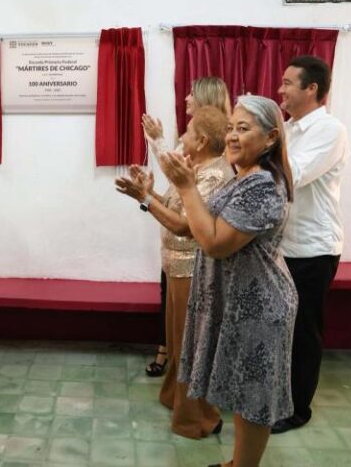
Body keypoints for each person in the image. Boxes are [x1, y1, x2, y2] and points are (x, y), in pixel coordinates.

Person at [160, 95, 297, 467]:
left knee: (253, 398)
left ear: (270, 138)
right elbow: (196, 225)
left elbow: (216, 244)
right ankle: (236, 463)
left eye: (244, 128)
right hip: (237, 303)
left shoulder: (263, 185)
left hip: (259, 306)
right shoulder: (242, 178)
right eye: (231, 127)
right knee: (241, 392)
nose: (233, 136)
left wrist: (186, 187)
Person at [116, 106, 234, 438]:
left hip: (193, 271)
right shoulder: (196, 167)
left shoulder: (215, 174)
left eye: (187, 131)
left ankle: (198, 418)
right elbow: (167, 208)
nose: (181, 135)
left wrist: (145, 198)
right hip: (175, 268)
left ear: (203, 140)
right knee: (178, 343)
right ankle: (175, 396)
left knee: (189, 347)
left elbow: (186, 227)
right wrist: (144, 196)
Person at [272, 55, 349, 434]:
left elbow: (292, 175)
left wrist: (260, 140)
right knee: (282, 329)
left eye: (288, 83)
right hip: (285, 246)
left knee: (304, 332)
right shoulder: (289, 128)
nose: (281, 89)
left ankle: (298, 409)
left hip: (313, 249)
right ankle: (277, 397)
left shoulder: (329, 130)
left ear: (311, 89)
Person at [139, 76, 232, 377]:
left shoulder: (217, 162)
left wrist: (157, 141)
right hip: (175, 250)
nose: (186, 98)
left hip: (193, 255)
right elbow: (178, 184)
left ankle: (188, 386)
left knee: (188, 325)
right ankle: (171, 361)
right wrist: (151, 195)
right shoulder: (198, 140)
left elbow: (186, 220)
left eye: (192, 93)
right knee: (173, 311)